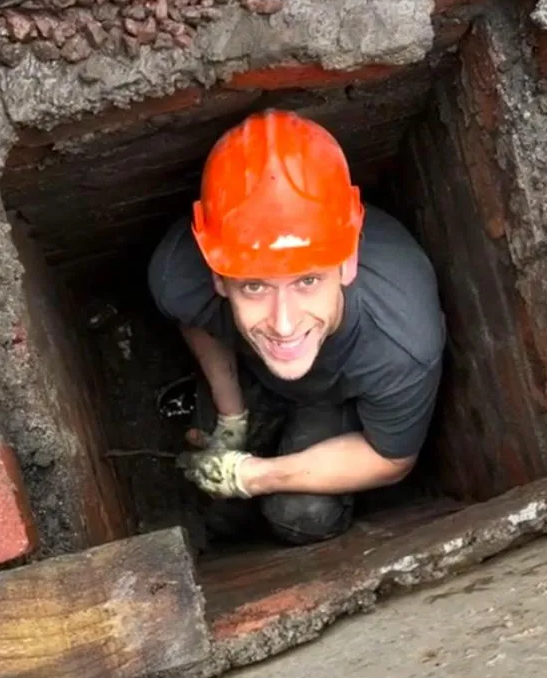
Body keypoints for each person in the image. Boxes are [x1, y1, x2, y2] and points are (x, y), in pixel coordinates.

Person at [147, 109, 446, 546]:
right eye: (253, 286)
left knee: (299, 514)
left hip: (339, 401)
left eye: (307, 280)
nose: (284, 323)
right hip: (250, 366)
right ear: (217, 275)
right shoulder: (179, 273)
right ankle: (222, 523)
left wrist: (255, 476)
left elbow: (391, 458)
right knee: (207, 464)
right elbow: (195, 319)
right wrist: (232, 413)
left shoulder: (401, 347)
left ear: (347, 262)